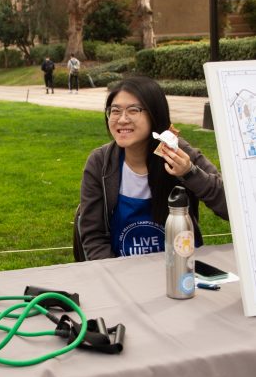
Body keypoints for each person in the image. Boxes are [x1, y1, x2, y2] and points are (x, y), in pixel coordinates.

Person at [78, 76, 228, 260]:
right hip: (124, 273)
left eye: (133, 110)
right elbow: (92, 235)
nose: (122, 119)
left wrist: (190, 173)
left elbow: (231, 208)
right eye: (115, 111)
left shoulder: (180, 153)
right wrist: (115, 275)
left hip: (182, 269)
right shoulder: (100, 163)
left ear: (154, 114)